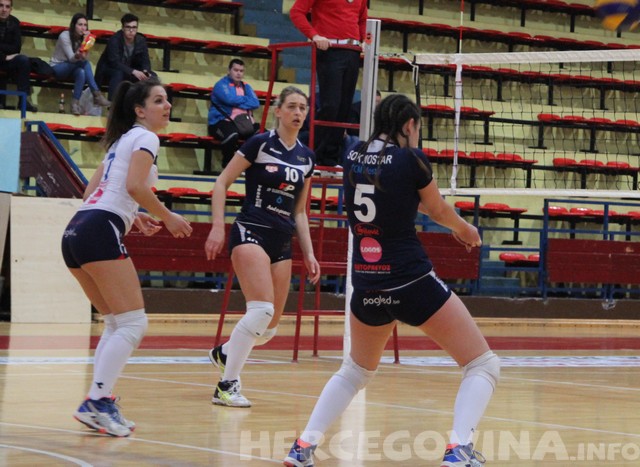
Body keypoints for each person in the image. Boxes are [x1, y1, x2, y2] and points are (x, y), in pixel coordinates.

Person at [284, 94, 500, 467]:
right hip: (410, 282)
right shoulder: (411, 159)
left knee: (355, 371)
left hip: (366, 284)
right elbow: (436, 208)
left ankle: (303, 446)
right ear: (409, 125)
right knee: (483, 365)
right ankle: (458, 448)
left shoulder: (353, 156)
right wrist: (466, 230)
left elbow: (398, 196)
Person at [62, 77, 193, 437]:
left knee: (115, 322)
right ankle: (96, 402)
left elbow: (92, 192)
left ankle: (99, 399)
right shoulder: (146, 138)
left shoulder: (120, 141)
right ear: (140, 110)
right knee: (134, 323)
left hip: (76, 230)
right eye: (159, 100)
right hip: (98, 229)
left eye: (167, 100)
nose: (167, 106)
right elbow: (134, 186)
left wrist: (133, 216)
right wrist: (168, 216)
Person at [205, 86, 321, 408]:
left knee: (268, 329)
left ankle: (225, 353)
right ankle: (227, 386)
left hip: (281, 240)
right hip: (251, 230)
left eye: (303, 108)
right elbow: (222, 182)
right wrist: (217, 226)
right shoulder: (259, 143)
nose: (298, 113)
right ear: (278, 111)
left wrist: (309, 252)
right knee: (261, 310)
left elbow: (300, 211)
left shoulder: (307, 158)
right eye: (292, 106)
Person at [290, 0, 367, 168]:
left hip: (353, 52)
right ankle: (311, 156)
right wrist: (314, 35)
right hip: (330, 49)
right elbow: (296, 12)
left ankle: (330, 159)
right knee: (331, 105)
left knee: (344, 108)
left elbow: (362, 19)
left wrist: (365, 40)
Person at [50, 13, 110, 115]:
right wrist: (79, 53)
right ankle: (97, 95)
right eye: (80, 24)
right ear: (74, 25)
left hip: (73, 68)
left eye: (85, 25)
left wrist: (87, 42)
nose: (83, 28)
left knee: (81, 72)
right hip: (58, 67)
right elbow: (71, 58)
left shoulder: (83, 38)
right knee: (85, 64)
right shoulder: (65, 36)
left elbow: (85, 58)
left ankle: (75, 104)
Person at [207, 58, 260, 169]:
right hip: (220, 122)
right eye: (236, 70)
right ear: (229, 71)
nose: (238, 73)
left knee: (263, 135)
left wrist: (237, 101)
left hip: (243, 123)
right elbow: (229, 100)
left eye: (241, 71)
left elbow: (255, 103)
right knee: (232, 136)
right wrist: (246, 100)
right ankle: (228, 165)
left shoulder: (246, 86)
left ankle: (252, 166)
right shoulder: (221, 85)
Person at [95, 13, 156, 101]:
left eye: (134, 27)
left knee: (152, 76)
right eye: (128, 27)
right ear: (123, 28)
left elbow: (145, 60)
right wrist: (133, 71)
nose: (131, 30)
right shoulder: (114, 40)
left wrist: (145, 71)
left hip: (129, 70)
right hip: (109, 70)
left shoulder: (141, 40)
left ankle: (145, 104)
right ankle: (113, 104)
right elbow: (114, 62)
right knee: (118, 73)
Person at [0, 0, 37, 111]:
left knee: (23, 60)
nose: (4, 9)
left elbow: (16, 48)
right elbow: (11, 48)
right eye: (1, 6)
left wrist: (5, 55)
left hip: (8, 60)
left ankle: (23, 101)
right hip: (4, 58)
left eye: (7, 7)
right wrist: (4, 56)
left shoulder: (15, 22)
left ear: (11, 9)